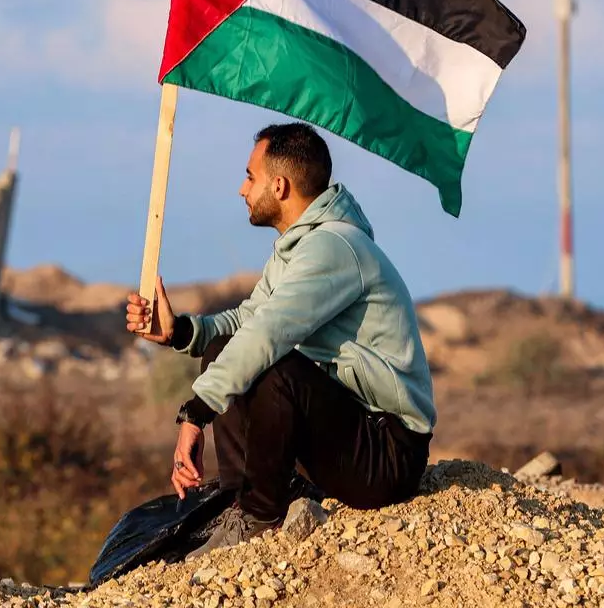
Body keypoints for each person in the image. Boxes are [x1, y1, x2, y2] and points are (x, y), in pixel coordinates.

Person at [125, 122, 436, 560]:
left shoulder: (334, 248)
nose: (241, 189)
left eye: (249, 177)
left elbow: (268, 333)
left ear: (279, 184)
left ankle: (260, 517)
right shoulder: (298, 247)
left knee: (276, 369)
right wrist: (178, 332)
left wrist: (195, 414)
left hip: (386, 453)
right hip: (347, 434)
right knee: (224, 349)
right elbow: (247, 321)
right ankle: (241, 503)